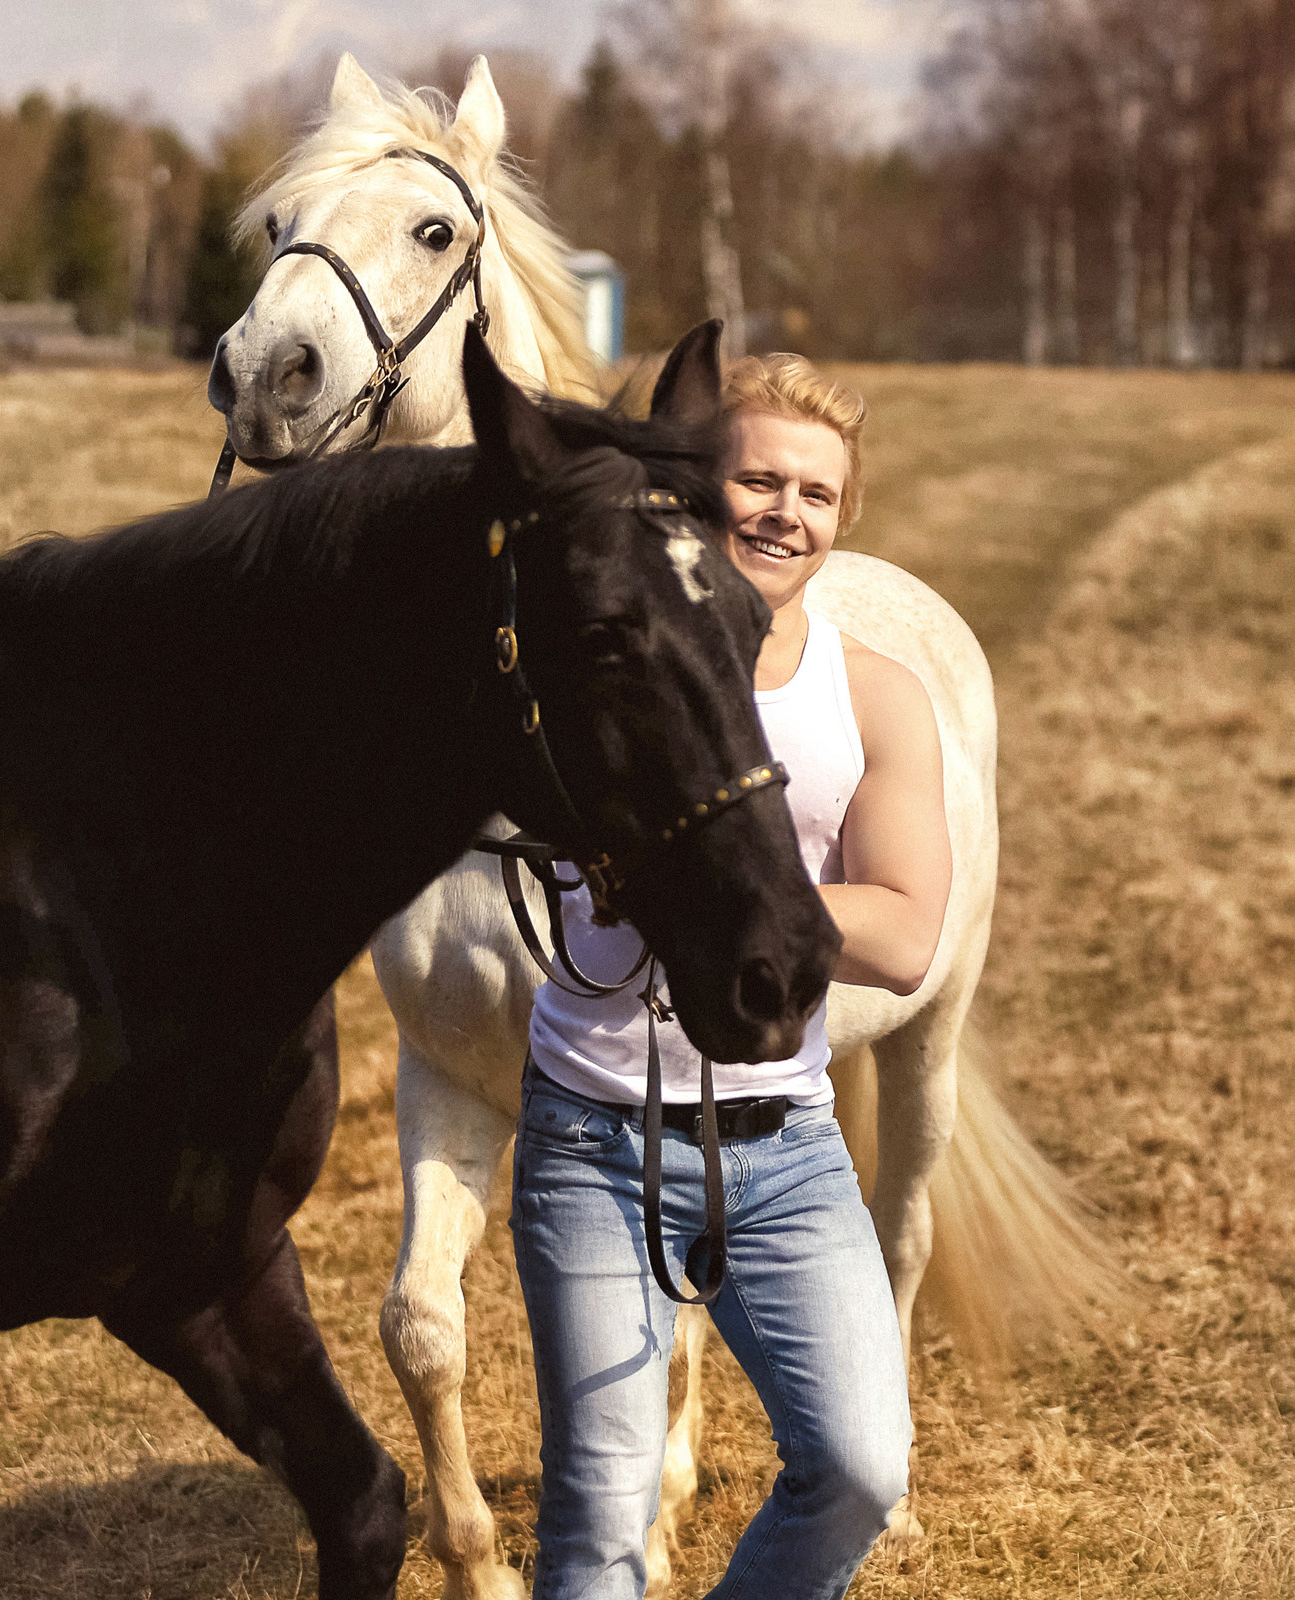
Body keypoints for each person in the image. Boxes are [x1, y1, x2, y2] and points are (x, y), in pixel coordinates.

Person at [511, 352, 952, 1600]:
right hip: (593, 1134)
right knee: (601, 1514)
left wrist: (715, 882)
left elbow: (908, 930)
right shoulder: (593, 664)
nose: (784, 511)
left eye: (815, 493)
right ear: (701, 488)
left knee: (863, 1466)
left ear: (844, 518)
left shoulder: (875, 696)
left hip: (785, 1146)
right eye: (758, 478)